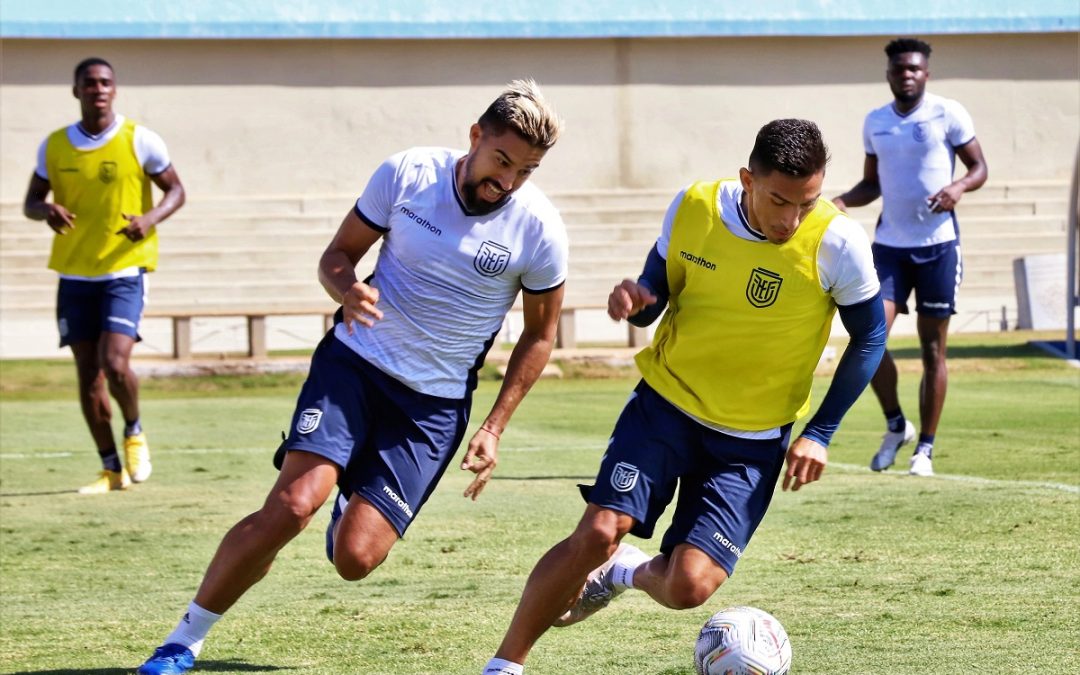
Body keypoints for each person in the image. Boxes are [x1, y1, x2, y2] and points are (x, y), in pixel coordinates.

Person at [137, 79, 567, 675]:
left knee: (357, 559)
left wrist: (494, 425)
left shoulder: (540, 230)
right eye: (502, 160)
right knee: (291, 506)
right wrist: (349, 289)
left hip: (432, 406)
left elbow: (541, 336)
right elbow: (336, 256)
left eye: (528, 170)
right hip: (355, 366)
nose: (510, 181)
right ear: (475, 136)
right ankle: (182, 642)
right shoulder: (408, 174)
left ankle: (348, 507)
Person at [482, 118, 887, 675]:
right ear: (748, 179)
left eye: (807, 203)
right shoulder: (695, 206)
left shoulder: (837, 241)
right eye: (779, 201)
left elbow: (871, 336)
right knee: (599, 531)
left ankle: (625, 572)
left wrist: (818, 433)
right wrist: (637, 298)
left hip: (751, 442)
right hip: (666, 408)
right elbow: (657, 295)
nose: (792, 219)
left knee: (688, 586)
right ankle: (505, 665)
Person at [23, 57, 186, 495]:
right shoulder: (54, 146)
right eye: (89, 83)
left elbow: (176, 190)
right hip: (74, 274)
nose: (98, 89)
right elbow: (31, 201)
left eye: (105, 82)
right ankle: (111, 469)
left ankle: (134, 431)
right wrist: (47, 210)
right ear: (76, 91)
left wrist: (149, 219)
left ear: (115, 90)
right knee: (88, 376)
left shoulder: (140, 139)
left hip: (123, 269)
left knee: (115, 364)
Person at [833, 37, 988, 477]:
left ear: (926, 74)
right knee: (871, 336)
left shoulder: (948, 113)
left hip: (939, 247)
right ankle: (896, 425)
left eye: (914, 68)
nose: (907, 74)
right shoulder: (876, 122)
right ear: (889, 74)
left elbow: (979, 168)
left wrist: (958, 187)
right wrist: (842, 201)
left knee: (933, 349)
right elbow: (872, 185)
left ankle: (926, 448)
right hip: (889, 249)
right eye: (899, 68)